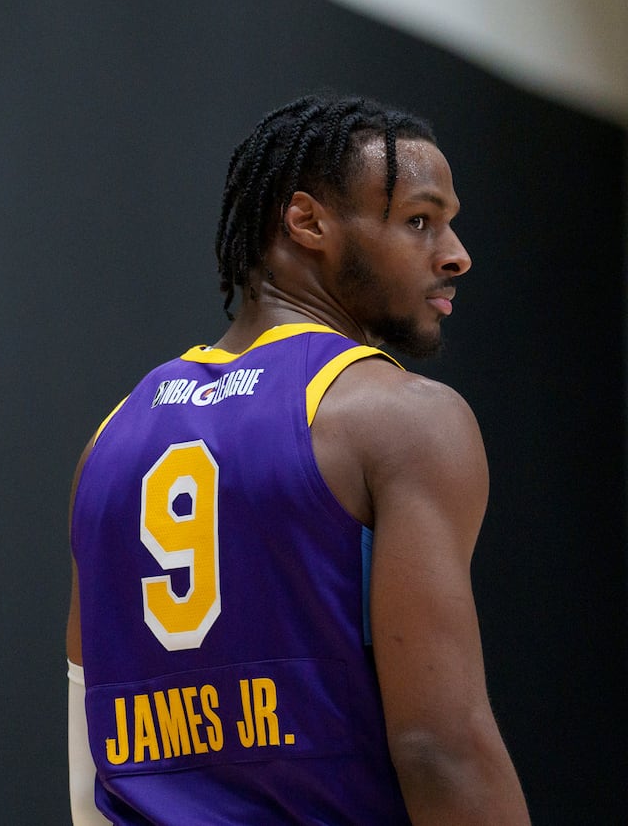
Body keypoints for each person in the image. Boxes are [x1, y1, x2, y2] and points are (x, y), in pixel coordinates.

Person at [65, 95, 528, 824]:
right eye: (419, 220)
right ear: (308, 222)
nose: (455, 252)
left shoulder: (112, 437)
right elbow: (441, 748)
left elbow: (91, 757)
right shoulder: (404, 419)